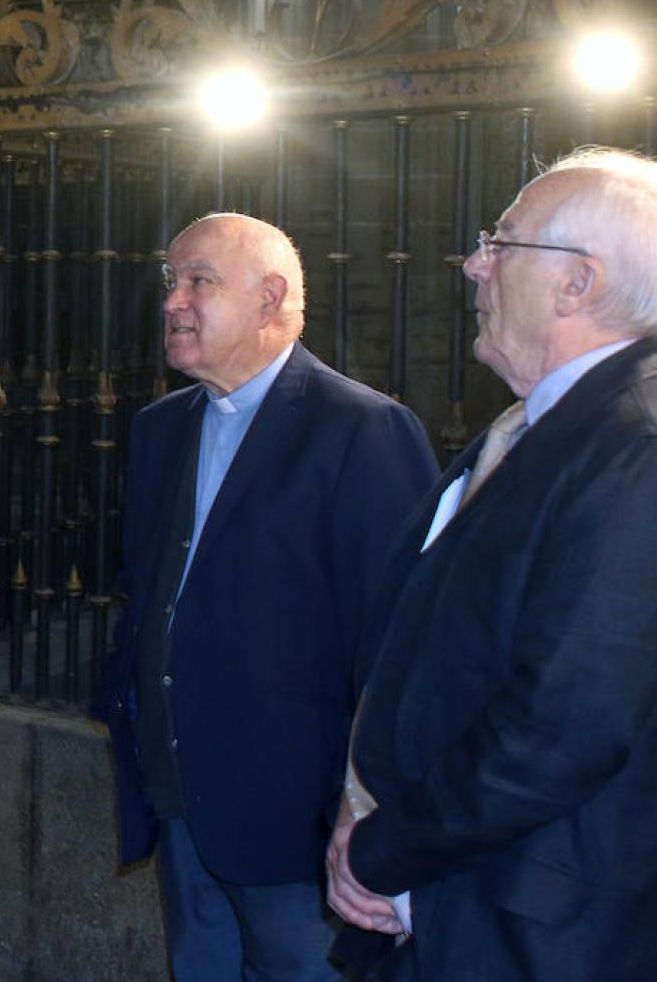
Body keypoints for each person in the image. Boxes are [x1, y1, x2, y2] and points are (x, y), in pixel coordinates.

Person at [327, 149, 657, 981]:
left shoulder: (635, 445)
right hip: (455, 900)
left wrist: (385, 853)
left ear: (576, 284)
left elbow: (567, 723)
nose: (474, 264)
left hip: (527, 929)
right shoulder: (533, 425)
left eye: (501, 242)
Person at [94, 213, 437, 981]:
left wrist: (367, 810)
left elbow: (396, 648)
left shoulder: (363, 430)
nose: (173, 302)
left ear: (269, 297)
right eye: (170, 282)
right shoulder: (160, 428)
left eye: (199, 282)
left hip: (295, 820)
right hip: (178, 796)